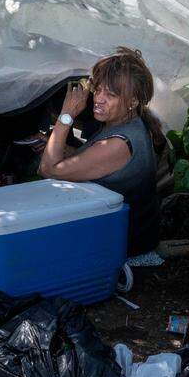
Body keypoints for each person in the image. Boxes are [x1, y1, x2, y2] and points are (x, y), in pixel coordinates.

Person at [38, 48, 165, 255]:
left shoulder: (118, 143)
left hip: (122, 244)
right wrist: (56, 146)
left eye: (111, 94)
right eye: (98, 90)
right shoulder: (124, 122)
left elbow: (48, 170)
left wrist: (66, 115)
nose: (99, 99)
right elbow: (91, 159)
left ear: (133, 101)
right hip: (120, 232)